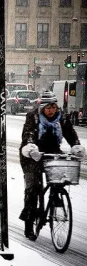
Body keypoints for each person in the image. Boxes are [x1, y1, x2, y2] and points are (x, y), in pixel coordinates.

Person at [19, 90, 85, 241]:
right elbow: (28, 135)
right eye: (48, 108)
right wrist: (31, 148)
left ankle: (56, 196)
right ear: (42, 107)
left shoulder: (62, 117)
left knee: (60, 178)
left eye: (54, 107)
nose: (51, 110)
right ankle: (29, 224)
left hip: (52, 151)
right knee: (33, 187)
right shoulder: (33, 117)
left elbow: (70, 133)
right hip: (32, 154)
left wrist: (76, 146)